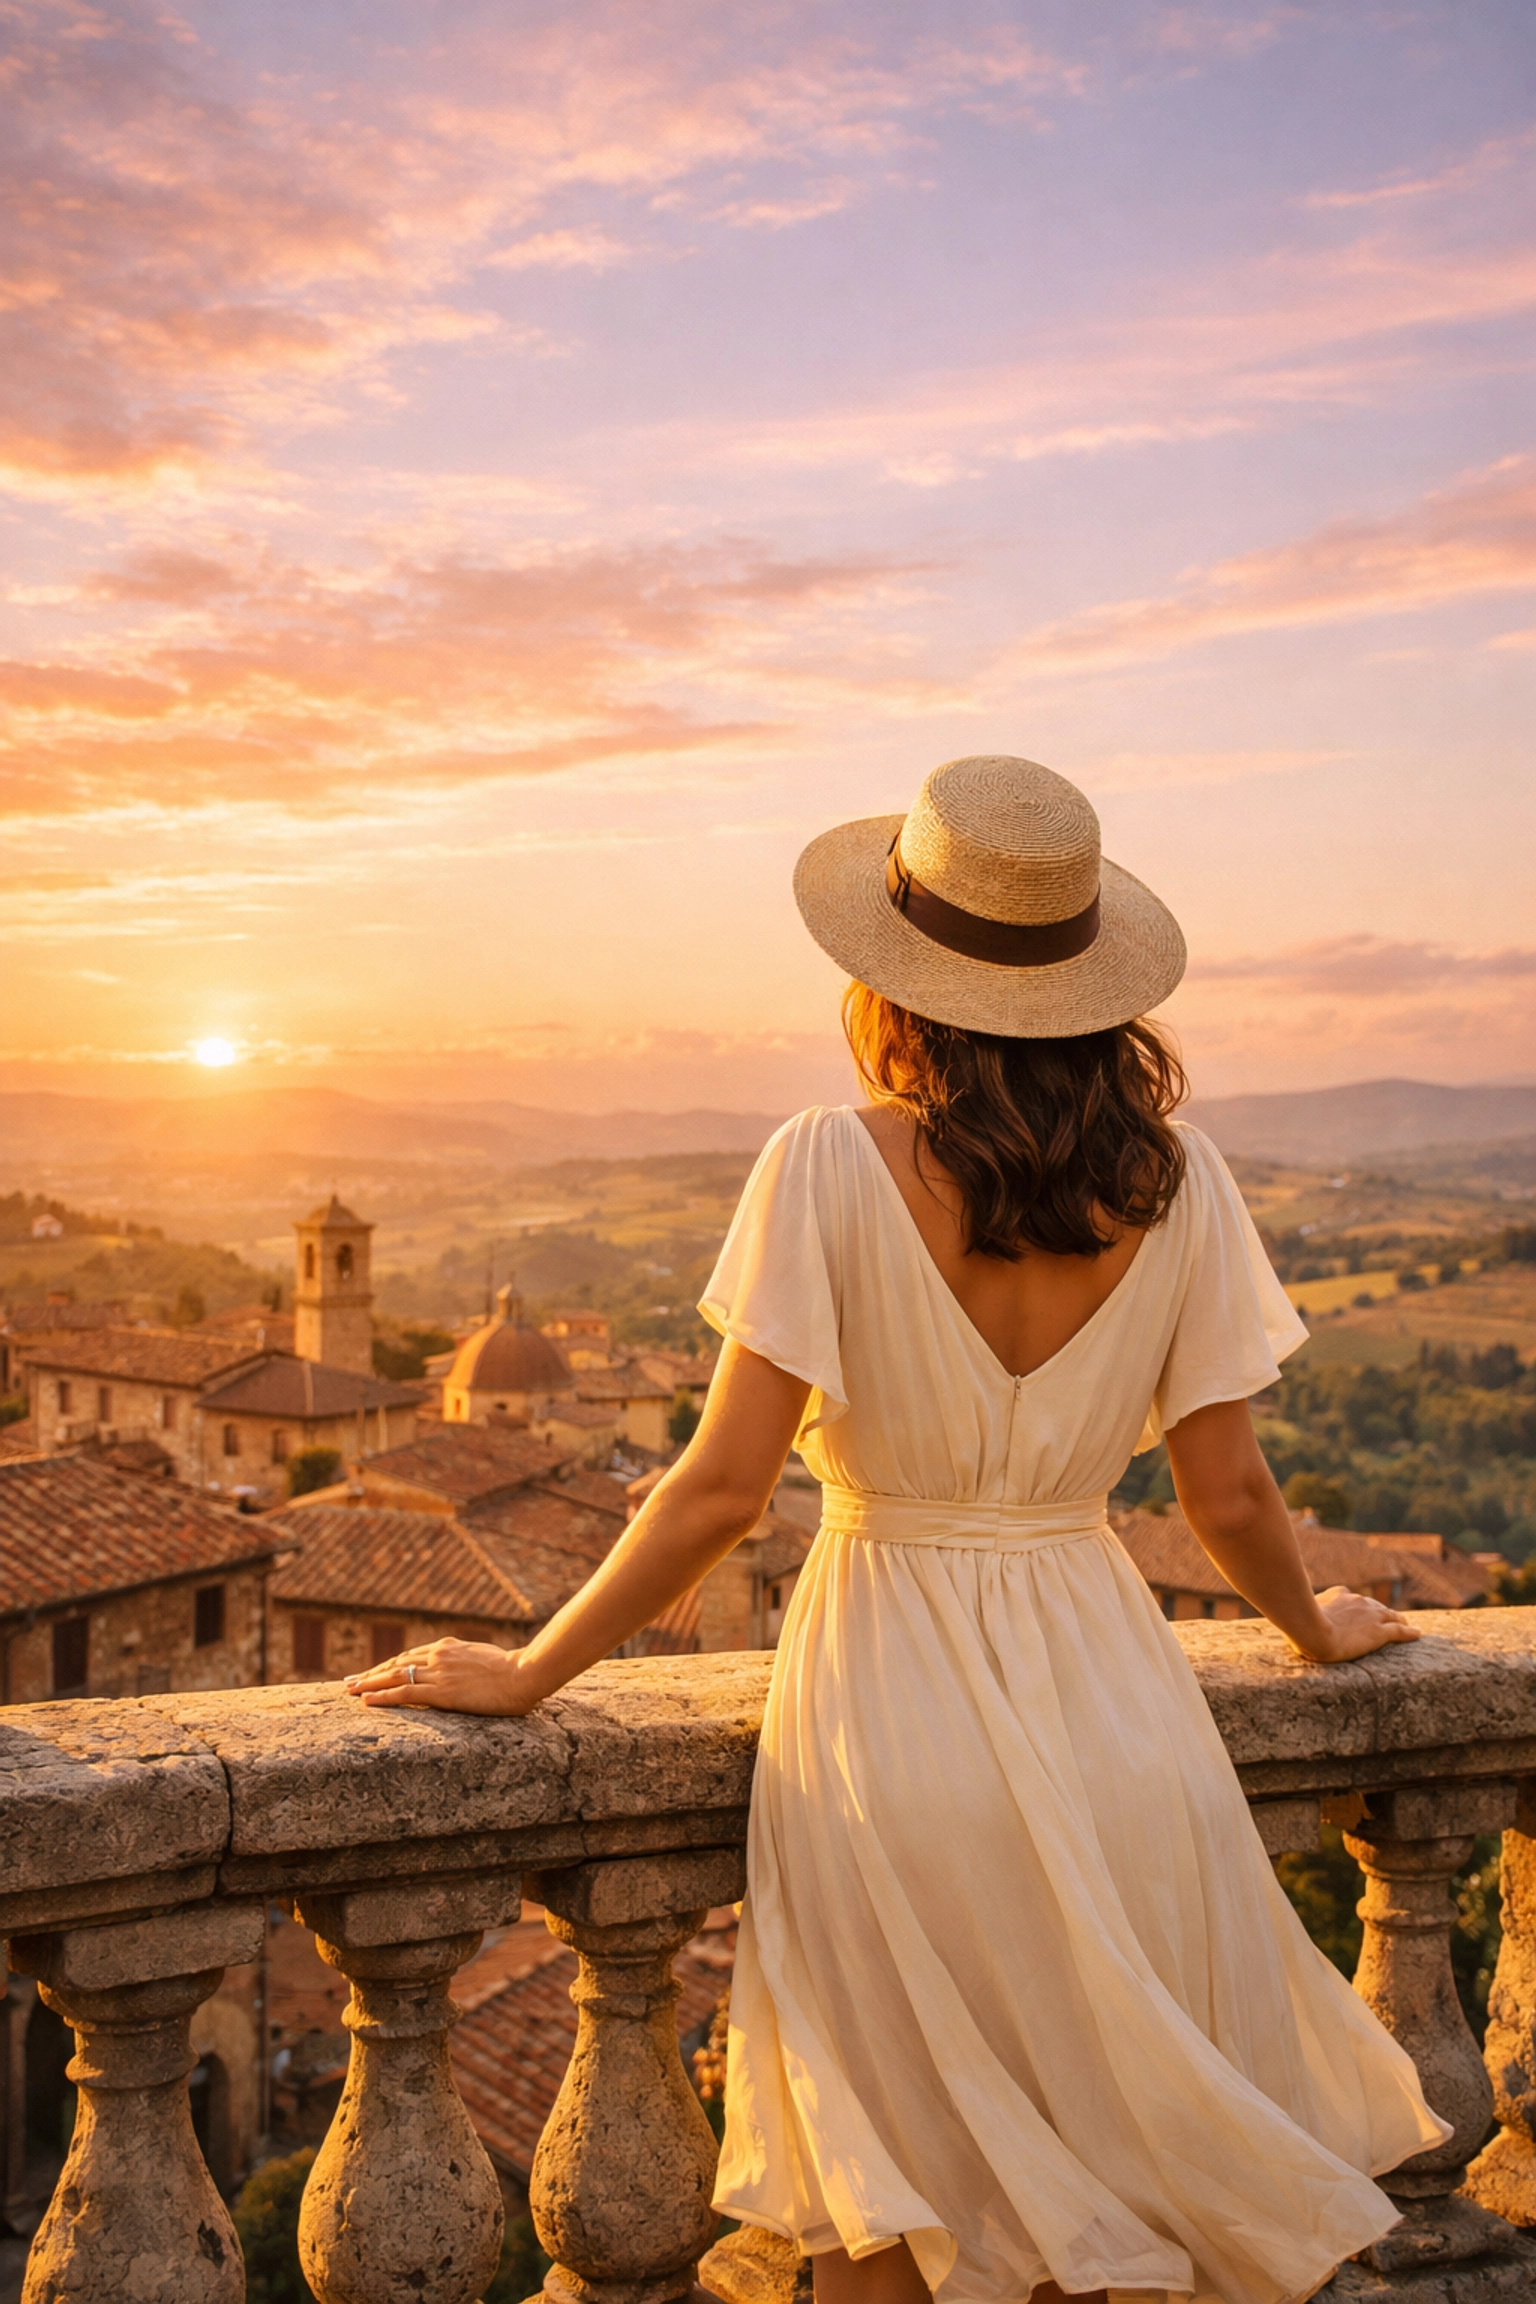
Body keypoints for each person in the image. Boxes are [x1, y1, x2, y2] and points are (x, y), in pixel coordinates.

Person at [346, 755, 1448, 2304]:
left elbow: (722, 1491)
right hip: (1119, 1713)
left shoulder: (826, 1163)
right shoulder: (1181, 1186)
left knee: (891, 2200)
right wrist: (1316, 1626)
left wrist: (534, 1672)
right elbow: (1230, 1497)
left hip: (886, 1715)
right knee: (1112, 2196)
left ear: (896, 984)